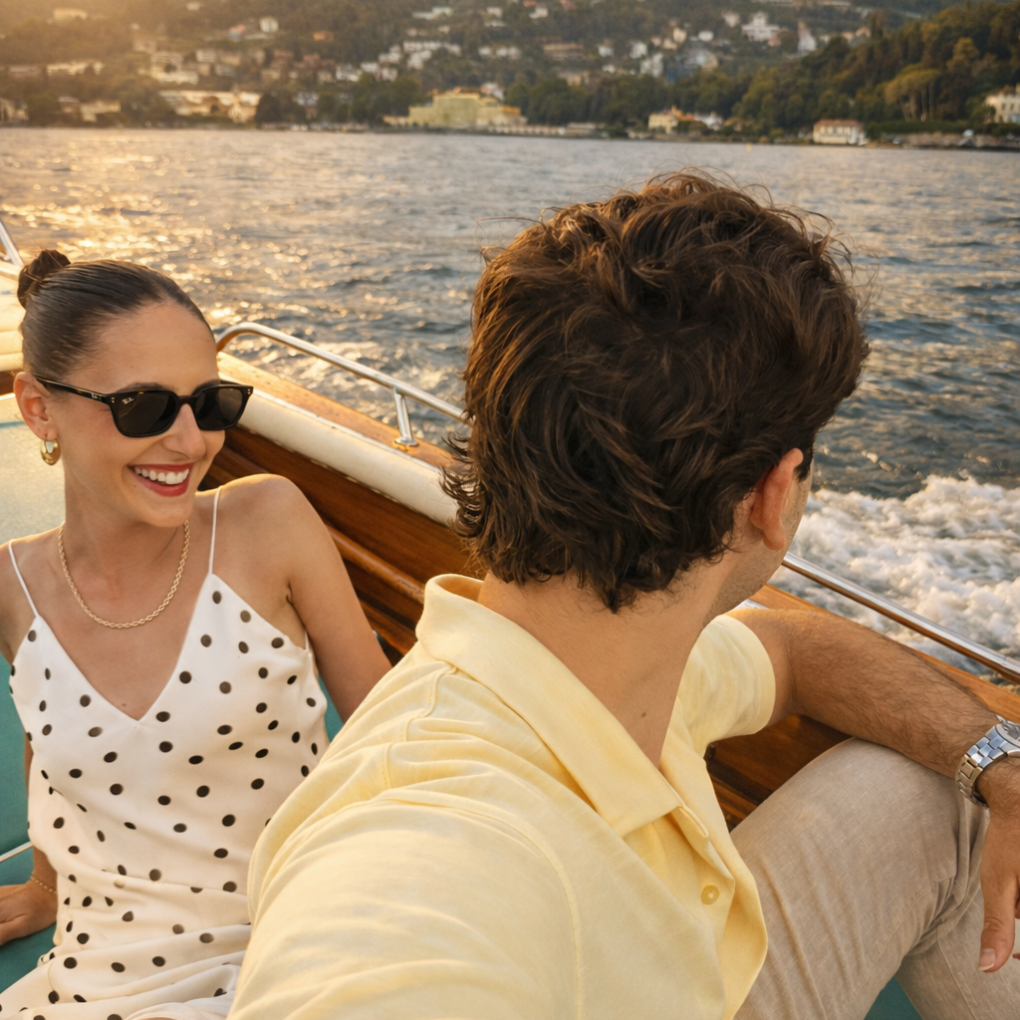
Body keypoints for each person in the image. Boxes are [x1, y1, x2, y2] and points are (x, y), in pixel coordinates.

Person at [230, 172, 1020, 1020]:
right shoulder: (427, 864)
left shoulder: (605, 664)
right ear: (776, 497)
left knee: (934, 794)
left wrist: (995, 762)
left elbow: (794, 651)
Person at [0, 251, 391, 1020]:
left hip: (300, 946)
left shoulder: (268, 521)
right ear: (40, 410)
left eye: (210, 404)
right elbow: (45, 734)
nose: (190, 442)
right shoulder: (12, 589)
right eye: (144, 407)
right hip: (106, 973)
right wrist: (48, 887)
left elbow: (387, 731)